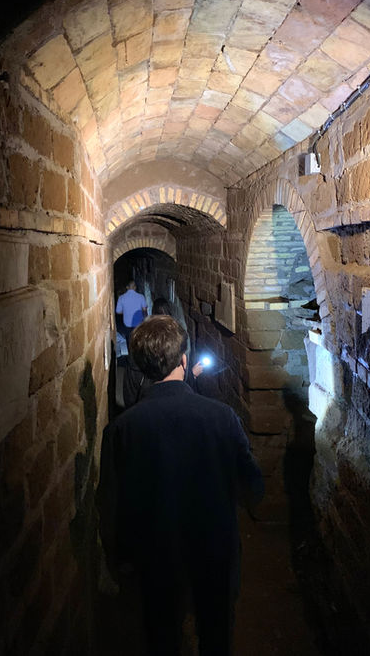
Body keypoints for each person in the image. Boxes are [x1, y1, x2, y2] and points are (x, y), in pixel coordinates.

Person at [97, 315, 264, 656]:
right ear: (184, 361)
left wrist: (121, 559)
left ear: (142, 368)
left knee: (162, 638)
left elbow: (112, 503)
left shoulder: (122, 429)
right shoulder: (222, 417)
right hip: (214, 551)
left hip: (155, 557)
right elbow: (253, 487)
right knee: (216, 636)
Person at [122, 297, 203, 408]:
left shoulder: (136, 357)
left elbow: (130, 399)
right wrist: (192, 375)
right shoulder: (223, 415)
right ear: (183, 361)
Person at [115, 280, 147, 345]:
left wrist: (126, 312)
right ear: (135, 287)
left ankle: (130, 350)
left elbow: (118, 311)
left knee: (129, 341)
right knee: (138, 341)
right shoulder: (141, 296)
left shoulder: (121, 298)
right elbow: (144, 309)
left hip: (127, 324)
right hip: (139, 323)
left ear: (127, 287)